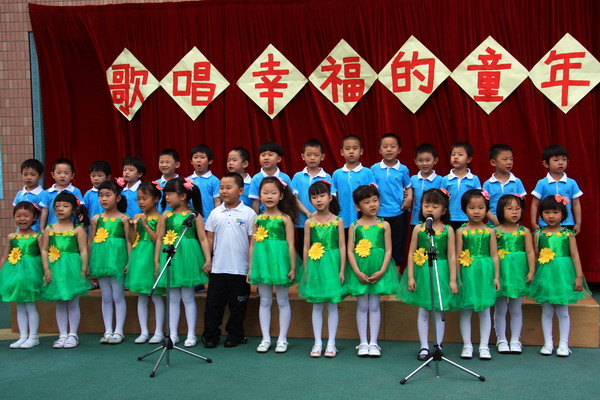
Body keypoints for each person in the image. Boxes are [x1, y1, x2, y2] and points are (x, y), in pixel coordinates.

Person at [397, 189, 458, 361]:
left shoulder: (448, 230)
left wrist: (453, 279)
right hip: (423, 271)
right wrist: (410, 276)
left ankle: (438, 346)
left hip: (442, 271)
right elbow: (411, 252)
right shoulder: (418, 228)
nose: (430, 209)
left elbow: (452, 255)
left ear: (444, 210)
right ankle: (423, 346)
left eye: (435, 206)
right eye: (426, 205)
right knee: (423, 310)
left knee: (439, 310)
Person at [529, 195, 590, 357]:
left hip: (563, 275)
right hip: (545, 275)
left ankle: (563, 344)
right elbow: (535, 256)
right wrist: (534, 275)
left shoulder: (567, 234)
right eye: (547, 212)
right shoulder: (538, 235)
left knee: (563, 311)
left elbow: (575, 255)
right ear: (541, 214)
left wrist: (578, 276)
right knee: (547, 311)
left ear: (563, 214)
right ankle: (548, 343)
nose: (551, 216)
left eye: (555, 212)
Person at [154, 177, 212, 347]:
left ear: (183, 196)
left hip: (188, 257)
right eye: (166, 194)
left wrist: (208, 259)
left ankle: (191, 334)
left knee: (188, 296)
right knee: (172, 297)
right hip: (171, 256)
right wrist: (157, 260)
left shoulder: (194, 215)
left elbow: (202, 238)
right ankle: (173, 334)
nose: (167, 197)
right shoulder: (166, 215)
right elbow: (159, 239)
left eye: (170, 194)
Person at [202, 173, 256, 348]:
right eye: (221, 188)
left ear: (240, 191)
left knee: (238, 306)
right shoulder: (215, 213)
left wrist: (251, 267)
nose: (224, 191)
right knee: (213, 305)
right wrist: (208, 259)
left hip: (240, 269)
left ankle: (235, 335)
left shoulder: (249, 213)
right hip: (218, 268)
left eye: (228, 187)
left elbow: (252, 242)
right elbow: (209, 238)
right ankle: (210, 335)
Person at [345, 185, 399, 358]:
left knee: (374, 305)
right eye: (367, 202)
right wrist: (356, 272)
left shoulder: (384, 225)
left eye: (375, 200)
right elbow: (350, 251)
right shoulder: (354, 226)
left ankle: (374, 342)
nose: (372, 204)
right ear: (357, 207)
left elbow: (389, 250)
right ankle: (363, 342)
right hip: (360, 269)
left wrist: (383, 270)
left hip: (378, 268)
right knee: (362, 305)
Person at [248, 177, 298, 354]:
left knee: (283, 300)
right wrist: (250, 268)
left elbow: (291, 244)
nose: (269, 196)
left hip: (280, 263)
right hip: (262, 263)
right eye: (265, 193)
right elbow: (253, 245)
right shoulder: (258, 219)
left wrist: (292, 267)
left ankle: (282, 339)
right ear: (260, 195)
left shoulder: (285, 218)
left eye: (273, 193)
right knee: (265, 300)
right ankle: (266, 338)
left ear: (281, 196)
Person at [298, 180, 345, 358]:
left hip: (332, 264)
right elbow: (305, 247)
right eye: (314, 197)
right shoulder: (309, 222)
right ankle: (317, 342)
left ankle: (331, 343)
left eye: (322, 196)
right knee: (317, 305)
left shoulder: (338, 221)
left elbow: (342, 246)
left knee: (332, 305)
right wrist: (307, 269)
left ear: (330, 197)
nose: (318, 200)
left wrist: (342, 269)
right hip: (315, 264)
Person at [40, 192, 91, 349]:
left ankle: (73, 334)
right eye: (57, 206)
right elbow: (44, 249)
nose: (60, 209)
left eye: (65, 206)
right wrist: (46, 268)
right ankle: (62, 334)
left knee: (73, 302)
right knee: (60, 302)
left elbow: (83, 250)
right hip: (55, 267)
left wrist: (84, 268)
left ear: (74, 209)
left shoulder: (77, 229)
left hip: (72, 267)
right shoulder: (49, 228)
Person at [456, 189, 500, 360]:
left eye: (481, 208)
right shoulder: (461, 231)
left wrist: (496, 276)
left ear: (487, 209)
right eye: (472, 208)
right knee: (466, 310)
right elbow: (457, 256)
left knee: (485, 310)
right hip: (468, 273)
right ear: (464, 209)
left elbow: (494, 255)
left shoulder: (490, 231)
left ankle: (484, 346)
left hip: (485, 272)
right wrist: (457, 278)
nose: (476, 211)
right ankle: (467, 345)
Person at [88, 180, 130, 345]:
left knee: (118, 295)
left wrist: (129, 261)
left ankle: (119, 330)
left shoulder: (124, 219)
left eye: (108, 195)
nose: (104, 199)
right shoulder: (96, 219)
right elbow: (91, 241)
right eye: (101, 195)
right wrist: (89, 262)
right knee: (106, 296)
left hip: (117, 260)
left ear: (118, 198)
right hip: (101, 260)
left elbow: (129, 241)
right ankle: (107, 330)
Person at [493, 194, 536, 354]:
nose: (514, 212)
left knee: (516, 308)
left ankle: (515, 340)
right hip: (502, 272)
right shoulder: (495, 231)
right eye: (509, 208)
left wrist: (531, 270)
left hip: (518, 273)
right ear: (501, 210)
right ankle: (501, 339)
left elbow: (530, 252)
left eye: (518, 209)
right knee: (501, 308)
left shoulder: (524, 231)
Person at [0, 202, 44, 348]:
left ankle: (33, 336)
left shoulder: (37, 236)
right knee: (19, 306)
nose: (22, 219)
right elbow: (5, 256)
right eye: (18, 216)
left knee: (30, 305)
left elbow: (43, 254)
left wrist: (45, 271)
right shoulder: (12, 237)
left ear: (34, 217)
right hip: (15, 273)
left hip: (31, 273)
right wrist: (1, 272)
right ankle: (23, 336)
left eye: (26, 216)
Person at [125, 182, 165, 344]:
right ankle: (144, 331)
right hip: (138, 256)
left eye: (145, 198)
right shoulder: (137, 216)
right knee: (141, 296)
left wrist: (146, 225)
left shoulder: (161, 217)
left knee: (155, 295)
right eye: (139, 199)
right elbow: (132, 239)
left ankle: (159, 332)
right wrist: (131, 227)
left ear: (155, 199)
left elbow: (157, 240)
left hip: (151, 256)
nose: (141, 202)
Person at [371, 133, 412, 266]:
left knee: (398, 246)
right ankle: (381, 273)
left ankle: (396, 275)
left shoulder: (403, 169)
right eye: (385, 146)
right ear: (379, 150)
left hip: (398, 212)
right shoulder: (374, 169)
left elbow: (408, 187)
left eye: (393, 146)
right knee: (379, 246)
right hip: (379, 213)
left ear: (399, 150)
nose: (389, 149)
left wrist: (409, 199)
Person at [292, 139, 334, 255]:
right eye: (309, 155)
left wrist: (318, 213)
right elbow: (294, 199)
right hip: (302, 221)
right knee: (304, 250)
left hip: (322, 221)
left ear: (322, 157)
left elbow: (331, 198)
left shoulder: (327, 177)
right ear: (303, 156)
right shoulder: (298, 176)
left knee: (321, 250)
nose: (312, 158)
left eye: (316, 155)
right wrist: (308, 213)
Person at [530, 144, 582, 234]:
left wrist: (578, 223)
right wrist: (533, 223)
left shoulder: (571, 183)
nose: (561, 163)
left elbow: (576, 204)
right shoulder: (542, 183)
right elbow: (535, 204)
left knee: (566, 243)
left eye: (564, 160)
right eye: (556, 160)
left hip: (567, 223)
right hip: (546, 223)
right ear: (546, 164)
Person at [332, 135, 375, 229]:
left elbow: (374, 195)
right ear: (342, 152)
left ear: (361, 151)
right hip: (343, 220)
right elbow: (333, 197)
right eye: (347, 149)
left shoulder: (367, 172)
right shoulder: (337, 174)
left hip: (364, 220)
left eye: (355, 148)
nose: (351, 151)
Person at [440, 142, 481, 232]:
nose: (456, 157)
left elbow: (479, 199)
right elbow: (442, 200)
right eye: (453, 154)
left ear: (469, 159)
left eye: (460, 154)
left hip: (468, 217)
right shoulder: (445, 179)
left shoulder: (474, 179)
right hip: (450, 217)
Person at [483, 144, 527, 226]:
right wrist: (494, 219)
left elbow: (522, 203)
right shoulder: (488, 184)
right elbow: (484, 205)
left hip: (513, 225)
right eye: (505, 159)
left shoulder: (517, 182)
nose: (509, 162)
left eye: (511, 159)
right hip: (494, 225)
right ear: (493, 162)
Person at [248, 142, 293, 215]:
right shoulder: (256, 178)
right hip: (264, 217)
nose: (266, 158)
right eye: (263, 155)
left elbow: (290, 199)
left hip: (283, 216)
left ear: (279, 159)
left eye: (270, 155)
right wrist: (256, 218)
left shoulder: (285, 177)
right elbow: (256, 202)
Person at [42, 158, 85, 225]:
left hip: (71, 228)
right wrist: (42, 228)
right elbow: (45, 211)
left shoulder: (75, 191)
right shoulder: (48, 192)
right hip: (52, 227)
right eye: (59, 173)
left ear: (72, 175)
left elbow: (80, 210)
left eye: (66, 173)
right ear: (53, 175)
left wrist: (81, 226)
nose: (62, 176)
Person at [410, 144, 442, 229]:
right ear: (415, 161)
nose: (424, 163)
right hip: (416, 220)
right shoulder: (413, 179)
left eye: (428, 160)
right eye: (420, 160)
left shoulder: (440, 180)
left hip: (435, 220)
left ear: (435, 160)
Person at [188, 144, 221, 222]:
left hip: (208, 220)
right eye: (195, 157)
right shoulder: (187, 180)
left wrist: (217, 217)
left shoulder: (214, 180)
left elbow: (217, 201)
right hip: (190, 220)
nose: (198, 160)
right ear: (191, 161)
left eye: (202, 157)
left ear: (210, 161)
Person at [13, 159, 48, 232]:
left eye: (32, 174)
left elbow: (45, 212)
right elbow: (16, 212)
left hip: (36, 231)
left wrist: (42, 229)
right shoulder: (19, 194)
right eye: (25, 174)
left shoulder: (44, 194)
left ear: (40, 176)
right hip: (20, 231)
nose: (28, 177)